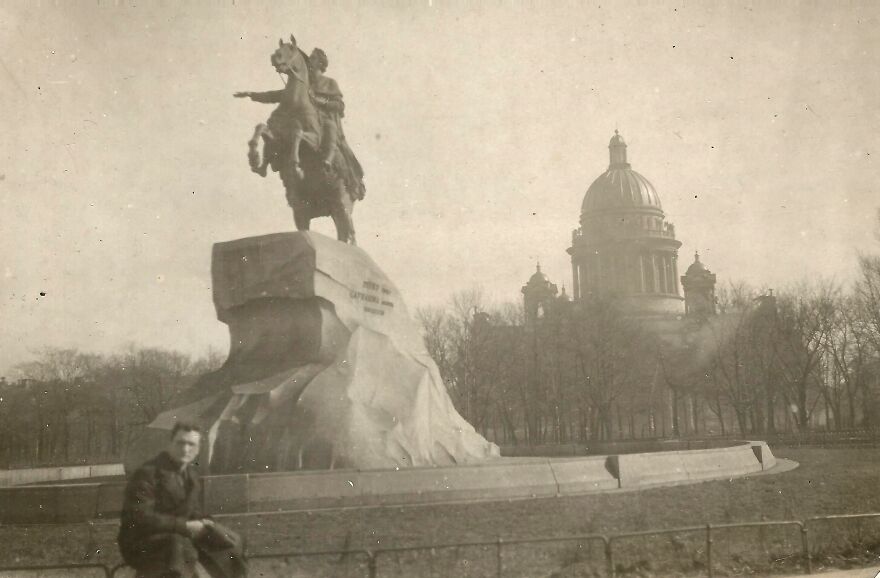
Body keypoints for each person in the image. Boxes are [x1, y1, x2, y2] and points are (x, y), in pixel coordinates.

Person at [118, 422, 245, 578]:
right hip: (141, 542)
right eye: (180, 443)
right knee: (178, 546)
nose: (185, 449)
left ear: (198, 449)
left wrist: (209, 524)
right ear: (170, 444)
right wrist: (185, 526)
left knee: (230, 542)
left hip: (178, 537)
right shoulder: (148, 474)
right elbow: (140, 517)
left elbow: (195, 512)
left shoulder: (191, 476)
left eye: (191, 444)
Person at [308, 48, 366, 200]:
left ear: (320, 63)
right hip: (309, 120)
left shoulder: (330, 83)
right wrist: (252, 95)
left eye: (313, 58)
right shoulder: (305, 84)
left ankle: (330, 159)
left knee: (330, 128)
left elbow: (340, 106)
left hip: (326, 120)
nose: (309, 60)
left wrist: (322, 101)